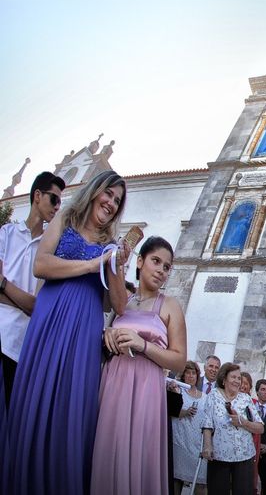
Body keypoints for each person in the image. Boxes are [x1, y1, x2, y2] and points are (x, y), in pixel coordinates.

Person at [2, 170, 129, 495]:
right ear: (94, 191)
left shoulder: (111, 245)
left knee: (72, 403)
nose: (111, 204)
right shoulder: (65, 220)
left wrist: (115, 265)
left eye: (117, 201)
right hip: (49, 317)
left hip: (85, 326)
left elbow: (118, 305)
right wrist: (89, 265)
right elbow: (41, 265)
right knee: (36, 394)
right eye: (108, 195)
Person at [91, 236, 188, 495]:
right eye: (156, 261)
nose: (161, 270)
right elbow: (104, 339)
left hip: (146, 386)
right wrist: (107, 336)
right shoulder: (122, 302)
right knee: (109, 447)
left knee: (137, 450)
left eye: (167, 267)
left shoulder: (170, 305)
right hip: (114, 381)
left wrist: (143, 345)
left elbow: (179, 359)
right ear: (141, 261)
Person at [0, 171, 64, 407]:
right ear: (37, 195)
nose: (57, 207)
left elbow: (37, 306)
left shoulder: (49, 252)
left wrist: (4, 285)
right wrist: (24, 301)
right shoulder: (7, 233)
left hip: (19, 348)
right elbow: (29, 303)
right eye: (54, 199)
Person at [200, 362, 264, 495]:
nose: (237, 381)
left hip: (244, 456)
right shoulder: (213, 395)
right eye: (233, 377)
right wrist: (207, 446)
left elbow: (260, 428)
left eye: (239, 378)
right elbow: (207, 424)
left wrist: (242, 422)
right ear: (224, 379)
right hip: (219, 455)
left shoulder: (245, 399)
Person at [173, 361, 208, 494]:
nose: (191, 376)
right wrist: (185, 412)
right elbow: (172, 412)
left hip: (197, 446)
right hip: (180, 443)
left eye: (194, 373)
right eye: (188, 372)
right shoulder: (177, 389)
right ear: (183, 374)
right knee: (176, 482)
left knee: (200, 484)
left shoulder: (205, 397)